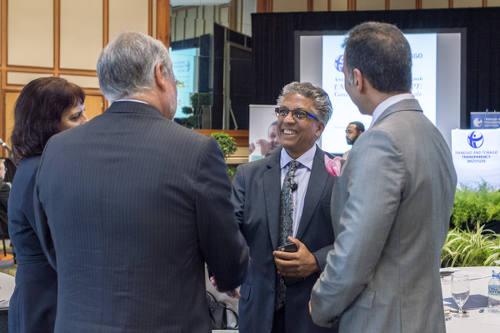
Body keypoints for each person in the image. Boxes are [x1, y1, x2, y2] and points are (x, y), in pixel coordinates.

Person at [33, 32, 248, 333]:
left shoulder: (56, 149)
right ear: (161, 74)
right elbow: (228, 262)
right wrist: (228, 277)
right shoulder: (195, 151)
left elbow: (51, 247)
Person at [309, 22, 457, 333]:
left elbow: (355, 251)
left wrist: (321, 302)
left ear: (357, 78)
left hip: (381, 322)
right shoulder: (432, 135)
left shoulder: (380, 140)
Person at [232, 82, 337, 333]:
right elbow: (229, 230)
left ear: (319, 127)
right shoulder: (249, 175)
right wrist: (228, 268)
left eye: (299, 114)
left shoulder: (340, 174)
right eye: (283, 112)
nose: (287, 120)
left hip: (316, 315)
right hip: (258, 314)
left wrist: (316, 260)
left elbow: (355, 239)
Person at [8, 77, 88, 333]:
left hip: (51, 296)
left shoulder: (40, 166)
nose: (86, 123)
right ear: (47, 126)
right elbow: (62, 249)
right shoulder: (38, 172)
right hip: (43, 302)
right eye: (75, 118)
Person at [0, 159, 10, 245]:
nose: (5, 171)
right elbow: (10, 207)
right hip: (4, 228)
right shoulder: (3, 187)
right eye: (4, 169)